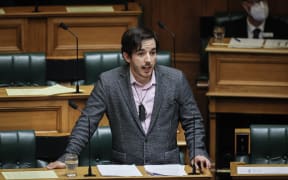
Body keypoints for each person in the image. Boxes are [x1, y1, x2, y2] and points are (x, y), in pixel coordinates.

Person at [47, 27, 211, 170]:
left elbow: (193, 120)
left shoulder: (175, 80)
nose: (148, 60)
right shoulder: (108, 82)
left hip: (167, 167)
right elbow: (87, 122)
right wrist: (68, 155)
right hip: (125, 169)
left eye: (152, 53)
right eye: (141, 54)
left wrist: (198, 152)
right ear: (127, 56)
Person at [223, 0, 288, 39]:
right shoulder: (230, 29)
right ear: (245, 6)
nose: (262, 6)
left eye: (264, 1)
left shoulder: (282, 29)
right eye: (256, 1)